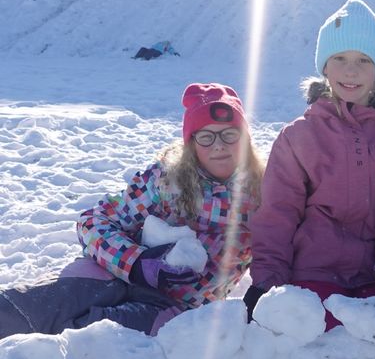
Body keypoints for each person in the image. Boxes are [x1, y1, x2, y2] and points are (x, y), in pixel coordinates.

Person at [0, 83, 264, 338]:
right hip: (113, 275)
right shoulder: (165, 180)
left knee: (80, 341)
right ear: (191, 144)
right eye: (206, 136)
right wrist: (138, 263)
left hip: (173, 308)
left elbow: (285, 253)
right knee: (32, 307)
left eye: (230, 134)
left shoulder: (265, 194)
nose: (219, 145)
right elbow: (93, 223)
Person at [244, 0, 375, 331]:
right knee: (319, 339)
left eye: (363, 60)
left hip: (374, 277)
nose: (351, 71)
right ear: (325, 67)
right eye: (340, 59)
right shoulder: (299, 137)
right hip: (312, 275)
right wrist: (266, 282)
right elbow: (277, 215)